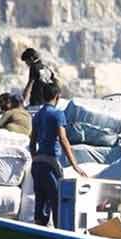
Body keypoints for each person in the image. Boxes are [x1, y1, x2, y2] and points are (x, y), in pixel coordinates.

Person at [29, 82, 86, 226]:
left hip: (37, 164)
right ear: (57, 96)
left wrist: (35, 157)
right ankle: (59, 236)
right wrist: (74, 165)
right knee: (57, 202)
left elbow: (32, 141)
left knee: (40, 203)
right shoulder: (58, 114)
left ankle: (39, 236)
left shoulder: (37, 115)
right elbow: (63, 139)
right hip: (50, 164)